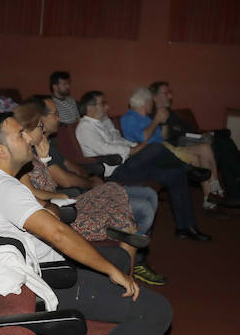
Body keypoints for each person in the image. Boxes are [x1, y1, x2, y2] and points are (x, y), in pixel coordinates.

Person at [0, 112, 172, 335]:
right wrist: (108, 271)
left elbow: (49, 217)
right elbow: (58, 234)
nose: (29, 137)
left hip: (50, 268)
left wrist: (109, 264)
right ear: (1, 150)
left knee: (118, 257)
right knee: (157, 310)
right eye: (20, 134)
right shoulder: (5, 187)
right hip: (54, 281)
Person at [13, 101, 165, 286]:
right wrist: (60, 194)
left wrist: (45, 160)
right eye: (39, 127)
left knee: (111, 191)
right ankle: (123, 247)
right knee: (127, 220)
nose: (43, 130)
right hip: (58, 211)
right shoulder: (23, 157)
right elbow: (33, 192)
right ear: (27, 132)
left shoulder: (37, 151)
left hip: (63, 202)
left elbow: (52, 180)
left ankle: (122, 237)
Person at [76, 91, 210, 241]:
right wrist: (135, 150)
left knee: (175, 173)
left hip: (127, 163)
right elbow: (106, 149)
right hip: (114, 171)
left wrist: (137, 146)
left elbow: (120, 141)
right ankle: (189, 169)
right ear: (90, 107)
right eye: (103, 104)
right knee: (155, 148)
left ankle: (186, 227)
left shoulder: (104, 121)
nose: (108, 107)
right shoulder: (85, 128)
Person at [31, 94, 160, 240]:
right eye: (55, 114)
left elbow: (69, 164)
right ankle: (134, 254)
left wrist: (87, 175)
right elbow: (65, 181)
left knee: (150, 193)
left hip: (83, 187)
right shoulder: (34, 148)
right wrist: (91, 183)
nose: (59, 118)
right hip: (72, 198)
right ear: (40, 118)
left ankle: (136, 249)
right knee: (145, 208)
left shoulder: (48, 143)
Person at [121, 87, 227, 213]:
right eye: (150, 101)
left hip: (165, 148)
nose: (152, 104)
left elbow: (162, 137)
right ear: (145, 102)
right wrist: (156, 120)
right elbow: (143, 139)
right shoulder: (128, 118)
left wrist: (163, 122)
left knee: (204, 148)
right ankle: (210, 198)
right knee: (197, 157)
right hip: (152, 155)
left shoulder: (146, 118)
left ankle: (212, 191)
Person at [151, 80, 240, 202]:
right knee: (220, 144)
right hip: (180, 146)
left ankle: (232, 189)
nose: (170, 96)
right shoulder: (152, 115)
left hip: (192, 140)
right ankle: (226, 191)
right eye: (166, 93)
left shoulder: (171, 113)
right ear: (155, 97)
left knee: (225, 141)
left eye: (170, 92)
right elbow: (166, 138)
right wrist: (169, 125)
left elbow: (187, 129)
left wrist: (202, 135)